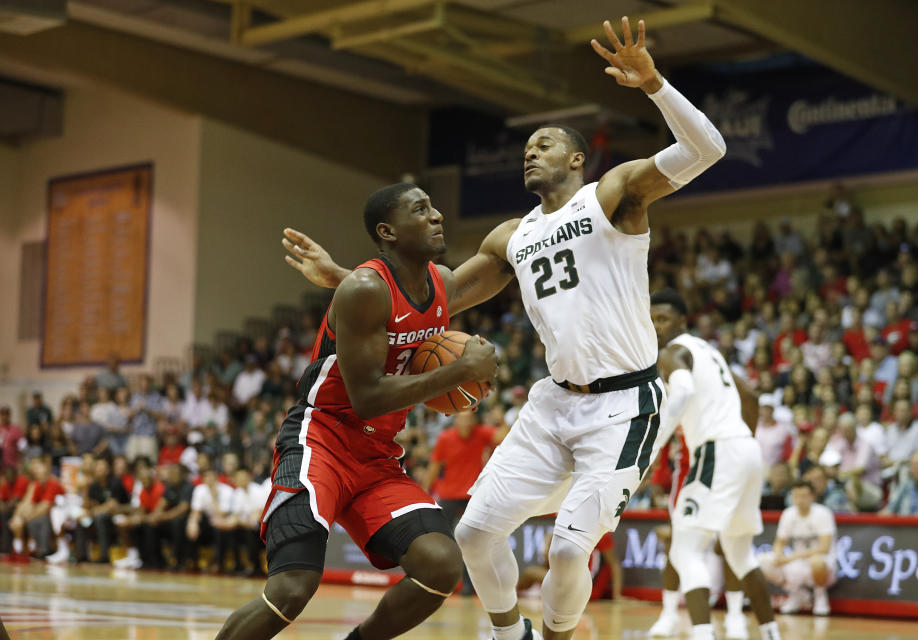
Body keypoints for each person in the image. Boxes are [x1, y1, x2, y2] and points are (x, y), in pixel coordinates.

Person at [283, 15, 726, 640]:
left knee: (571, 551)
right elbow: (441, 296)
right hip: (554, 403)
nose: (530, 150)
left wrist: (653, 83)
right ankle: (507, 631)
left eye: (544, 142)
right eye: (527, 146)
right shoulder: (511, 236)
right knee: (472, 534)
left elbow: (708, 150)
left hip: (626, 402)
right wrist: (345, 280)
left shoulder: (612, 194)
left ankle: (556, 634)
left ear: (576, 158)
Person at [216, 183, 498, 640]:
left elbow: (500, 261)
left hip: (376, 454)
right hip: (320, 439)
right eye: (421, 209)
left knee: (441, 565)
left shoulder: (440, 284)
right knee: (293, 588)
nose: (438, 215)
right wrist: (459, 371)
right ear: (387, 231)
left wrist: (552, 217)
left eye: (435, 207)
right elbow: (366, 395)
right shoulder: (364, 287)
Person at [647, 289, 780, 640]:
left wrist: (653, 448)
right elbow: (750, 394)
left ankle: (702, 634)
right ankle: (771, 633)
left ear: (681, 320)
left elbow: (684, 393)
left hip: (718, 450)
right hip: (747, 450)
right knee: (739, 552)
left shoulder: (671, 352)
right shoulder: (709, 350)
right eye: (652, 319)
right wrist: (741, 438)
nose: (656, 326)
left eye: (663, 318)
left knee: (685, 548)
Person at [421, 411, 508, 594]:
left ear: (474, 421)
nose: (467, 423)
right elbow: (434, 466)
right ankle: (435, 579)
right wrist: (424, 493)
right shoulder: (445, 438)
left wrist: (500, 420)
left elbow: (505, 436)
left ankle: (469, 585)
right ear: (456, 421)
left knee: (472, 541)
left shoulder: (481, 433)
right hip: (449, 494)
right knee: (441, 538)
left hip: (472, 495)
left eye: (470, 419)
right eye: (463, 419)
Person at [759, 481, 837, 615]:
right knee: (762, 561)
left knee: (817, 561)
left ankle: (820, 596)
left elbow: (824, 548)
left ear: (812, 497)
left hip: (823, 565)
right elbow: (779, 543)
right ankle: (797, 594)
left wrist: (790, 558)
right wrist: (778, 555)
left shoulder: (822, 513)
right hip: (797, 563)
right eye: (796, 496)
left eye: (804, 496)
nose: (800, 500)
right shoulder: (788, 514)